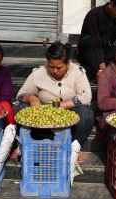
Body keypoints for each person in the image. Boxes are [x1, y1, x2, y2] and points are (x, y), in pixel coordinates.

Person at [14, 41, 94, 186]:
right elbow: (20, 94)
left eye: (59, 67)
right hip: (43, 118)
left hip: (69, 114)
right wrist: (32, 98)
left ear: (67, 63)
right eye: (51, 67)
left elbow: (86, 96)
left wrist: (59, 107)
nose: (55, 71)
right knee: (20, 108)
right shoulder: (38, 73)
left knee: (86, 113)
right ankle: (23, 144)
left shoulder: (78, 72)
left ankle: (75, 146)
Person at [77, 0, 116, 80]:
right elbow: (96, 41)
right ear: (110, 5)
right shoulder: (94, 14)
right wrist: (101, 65)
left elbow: (115, 40)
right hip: (89, 53)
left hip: (104, 51)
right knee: (88, 40)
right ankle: (100, 73)